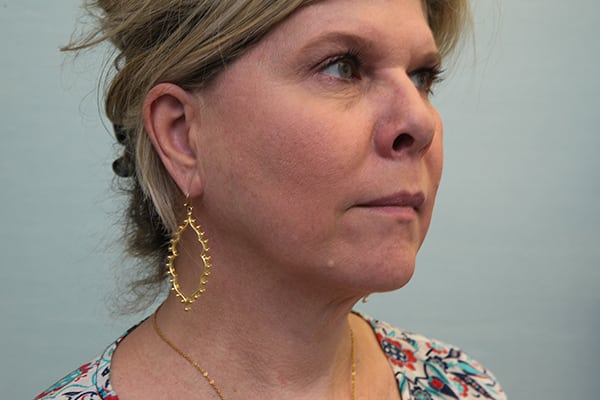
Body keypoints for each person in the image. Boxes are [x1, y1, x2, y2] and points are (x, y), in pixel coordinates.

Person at [36, 0, 506, 399]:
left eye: (421, 77)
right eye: (342, 67)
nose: (421, 123)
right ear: (182, 137)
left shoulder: (463, 386)